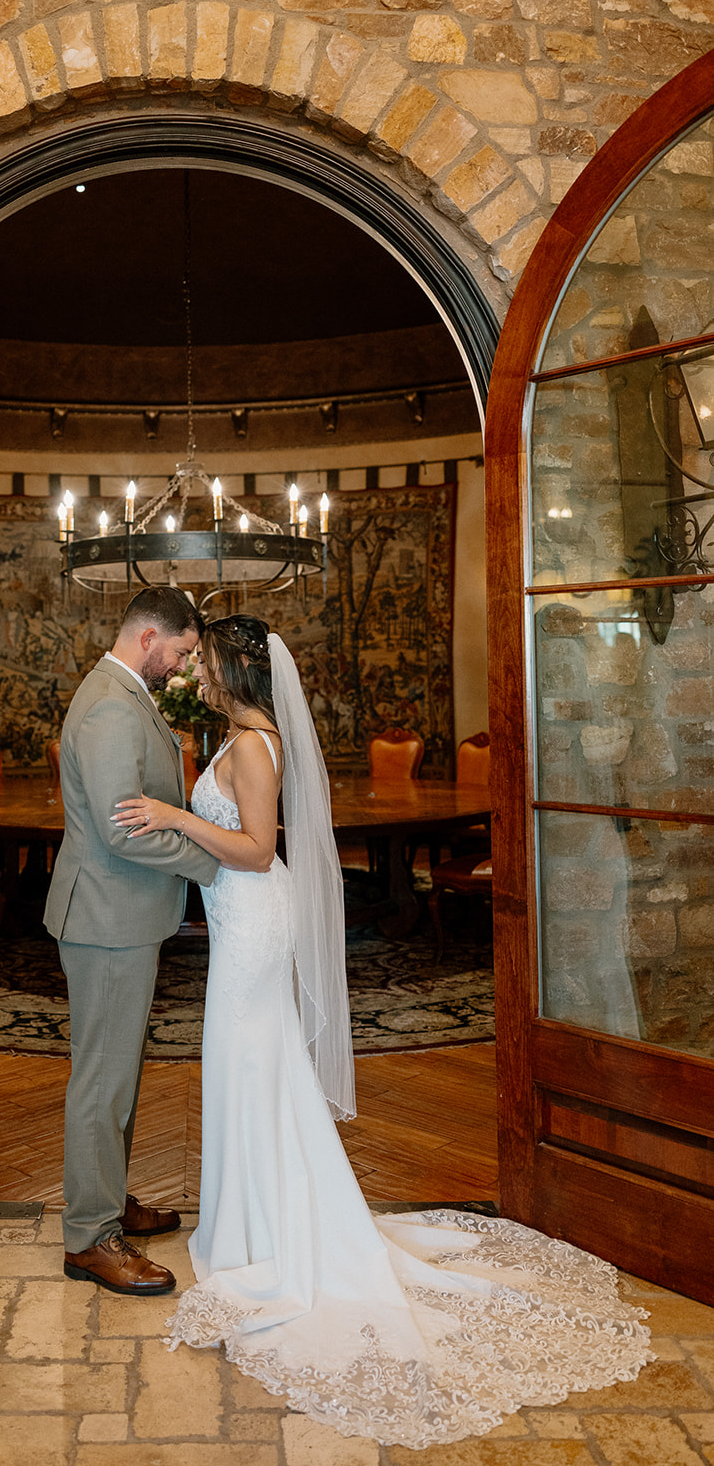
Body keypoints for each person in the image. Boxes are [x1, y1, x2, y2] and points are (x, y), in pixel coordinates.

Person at [113, 615, 652, 1448]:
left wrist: (172, 815)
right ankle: (254, 1222)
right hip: (239, 918)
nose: (201, 675)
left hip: (253, 918)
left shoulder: (253, 745)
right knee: (248, 1067)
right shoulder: (242, 735)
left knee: (247, 1060)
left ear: (239, 672)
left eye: (210, 663)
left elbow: (256, 851)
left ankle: (271, 1231)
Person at [44, 586, 220, 1297]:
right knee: (101, 1079)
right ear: (148, 637)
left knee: (115, 1073)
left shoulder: (117, 694)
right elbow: (123, 829)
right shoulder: (114, 707)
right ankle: (90, 1237)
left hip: (117, 915)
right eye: (179, 652)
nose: (179, 668)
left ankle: (108, 1201)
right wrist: (212, 865)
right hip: (106, 918)